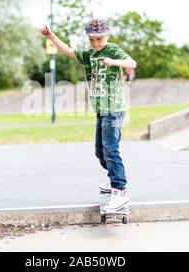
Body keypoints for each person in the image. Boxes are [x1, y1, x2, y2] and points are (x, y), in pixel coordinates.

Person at [41, 18, 137, 213]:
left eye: (99, 39)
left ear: (107, 36)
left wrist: (114, 61)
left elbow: (132, 63)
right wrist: (51, 36)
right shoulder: (90, 54)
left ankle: (120, 191)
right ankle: (117, 178)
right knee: (100, 152)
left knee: (110, 149)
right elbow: (68, 51)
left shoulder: (112, 49)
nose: (96, 43)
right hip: (101, 109)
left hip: (114, 108)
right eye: (92, 40)